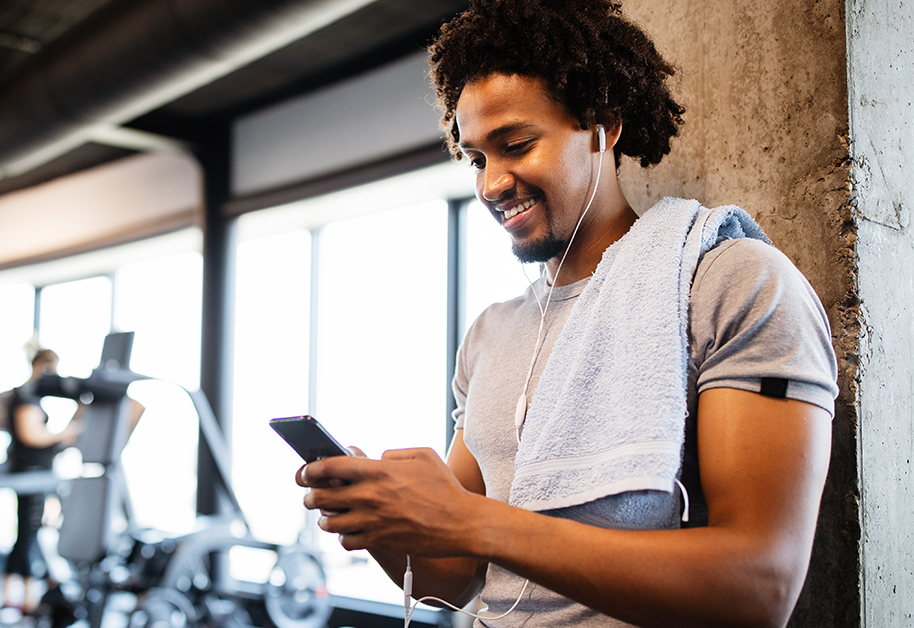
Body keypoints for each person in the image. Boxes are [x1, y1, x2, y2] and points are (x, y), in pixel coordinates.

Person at [295, 1, 839, 626]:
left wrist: (469, 518)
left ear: (603, 126)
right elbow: (459, 576)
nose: (491, 184)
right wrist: (392, 523)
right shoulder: (491, 335)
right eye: (476, 158)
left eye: (516, 145)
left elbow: (758, 590)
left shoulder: (730, 283)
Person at [1, 349, 84, 619]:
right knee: (28, 533)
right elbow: (31, 434)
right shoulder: (27, 394)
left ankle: (15, 597)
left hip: (36, 469)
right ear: (43, 367)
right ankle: (27, 601)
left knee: (26, 532)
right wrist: (64, 432)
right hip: (31, 471)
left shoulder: (31, 395)